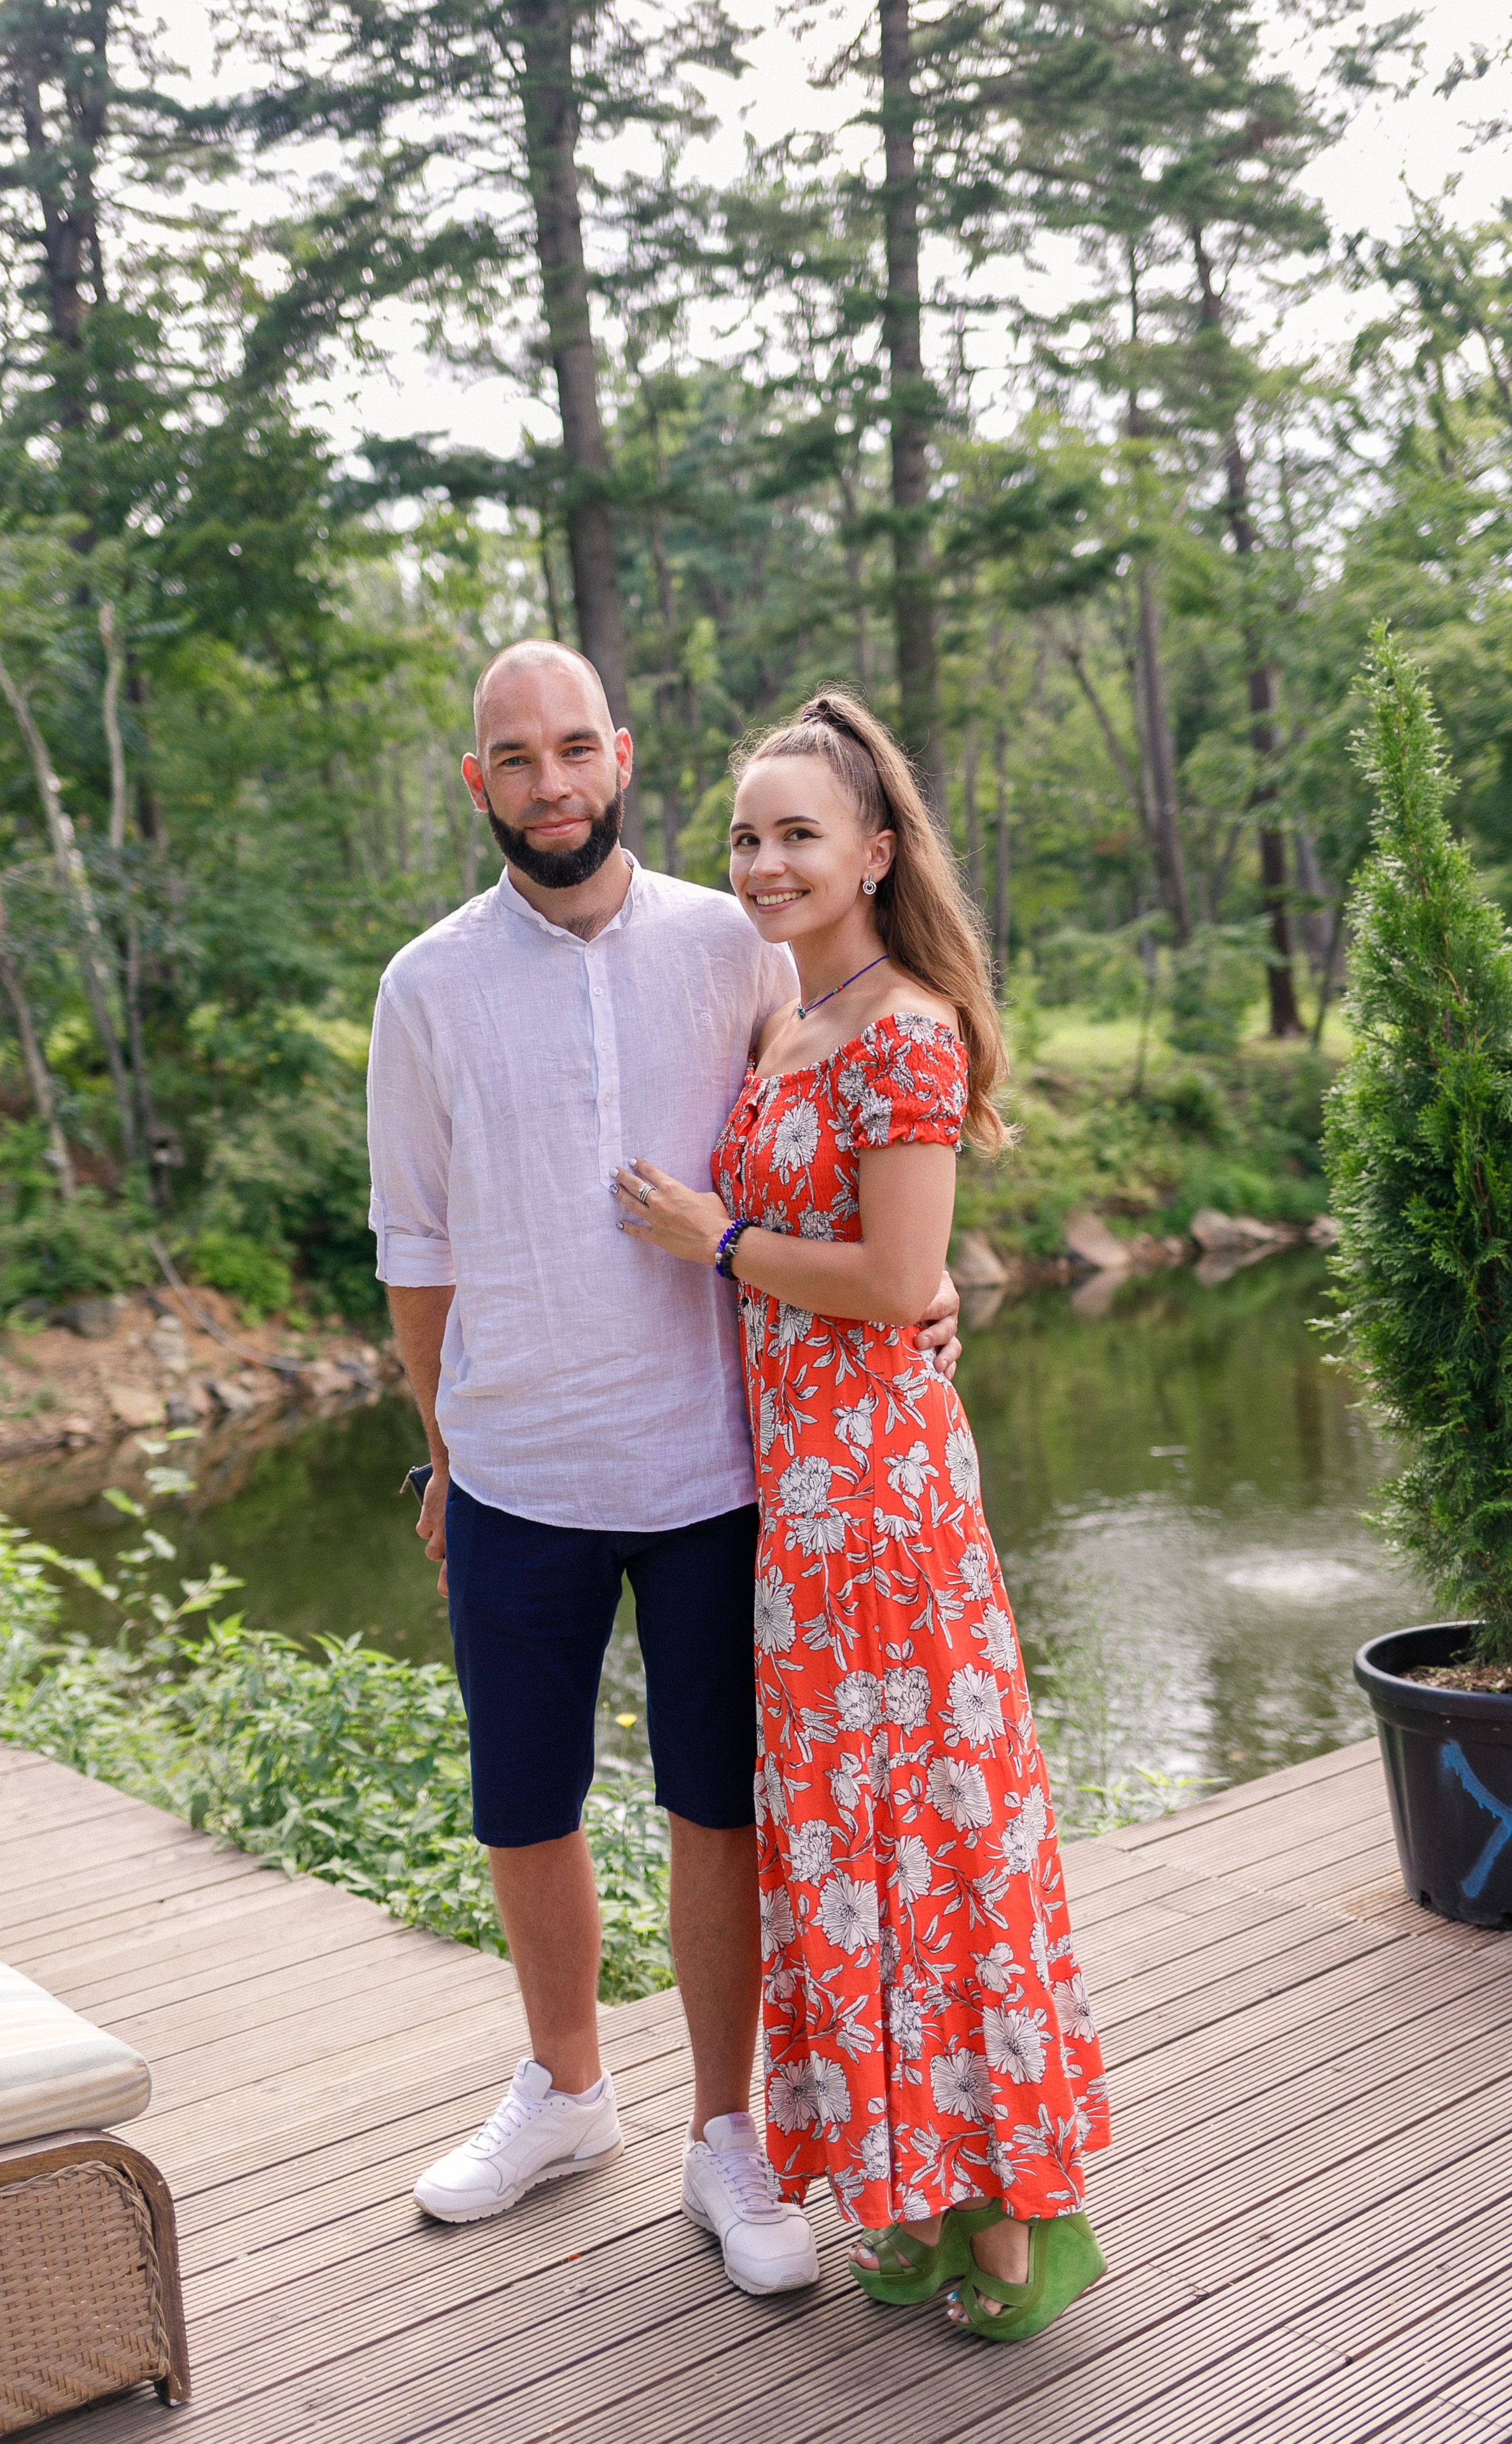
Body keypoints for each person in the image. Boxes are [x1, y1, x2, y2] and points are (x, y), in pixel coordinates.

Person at [365, 641, 962, 2298]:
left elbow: (841, 1147)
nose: (551, 783)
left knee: (718, 1810)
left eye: (575, 748)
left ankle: (727, 2134)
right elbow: (415, 1248)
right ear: (476, 782)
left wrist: (933, 1287)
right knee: (523, 1806)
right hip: (517, 1472)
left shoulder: (733, 937)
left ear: (620, 755)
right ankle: (564, 2092)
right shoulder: (424, 987)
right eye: (515, 759)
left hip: (720, 1471)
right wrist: (445, 1450)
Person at [612, 688, 1110, 2344]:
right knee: (842, 1864)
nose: (763, 862)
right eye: (746, 834)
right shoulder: (785, 1023)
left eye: (798, 834)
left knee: (937, 1851)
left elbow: (901, 1284)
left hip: (887, 1516)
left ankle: (1020, 2225)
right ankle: (905, 2193)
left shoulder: (906, 1026)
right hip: (800, 1526)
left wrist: (718, 1243)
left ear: (876, 853)